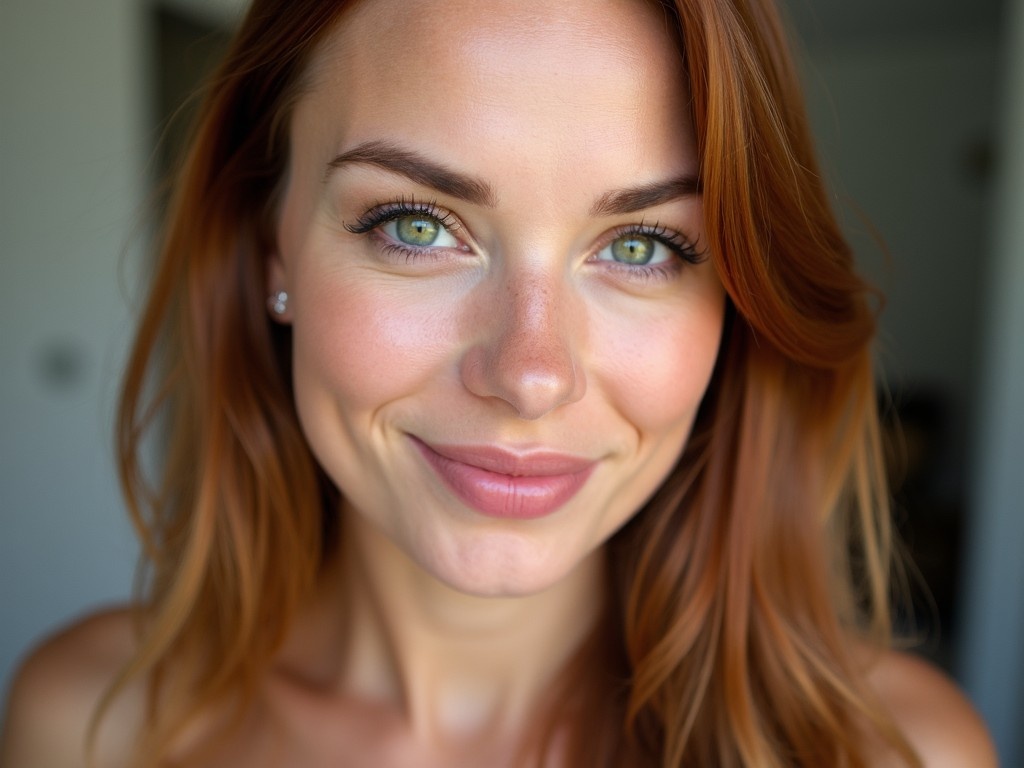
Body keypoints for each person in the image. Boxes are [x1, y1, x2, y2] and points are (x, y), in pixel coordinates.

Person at [0, 0, 998, 766]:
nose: (529, 374)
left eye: (644, 244)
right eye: (416, 226)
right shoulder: (88, 726)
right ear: (274, 251)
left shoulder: (896, 753)